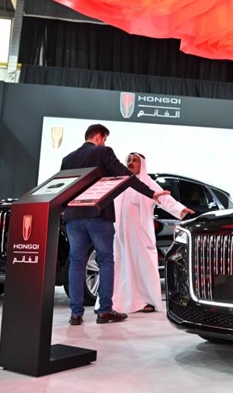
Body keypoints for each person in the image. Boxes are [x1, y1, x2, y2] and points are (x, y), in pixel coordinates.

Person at [61, 124, 169, 325]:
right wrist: (151, 193)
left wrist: (63, 210)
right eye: (105, 139)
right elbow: (127, 177)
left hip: (73, 217)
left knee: (76, 263)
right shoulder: (103, 152)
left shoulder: (67, 159)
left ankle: (76, 314)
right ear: (100, 137)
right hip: (98, 215)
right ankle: (105, 311)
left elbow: (63, 188)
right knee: (106, 260)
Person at [101, 152, 193, 314]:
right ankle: (118, 301)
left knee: (145, 266)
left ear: (142, 164)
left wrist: (180, 209)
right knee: (121, 267)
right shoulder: (120, 182)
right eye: (128, 160)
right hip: (120, 235)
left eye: (134, 160)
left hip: (141, 235)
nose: (130, 162)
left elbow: (164, 199)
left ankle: (147, 301)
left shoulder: (148, 183)